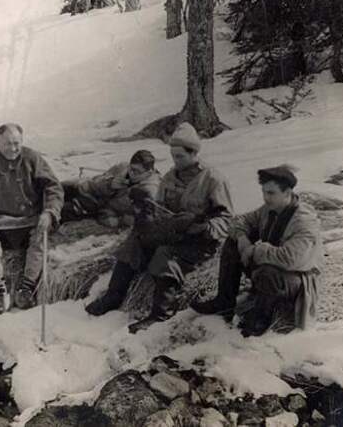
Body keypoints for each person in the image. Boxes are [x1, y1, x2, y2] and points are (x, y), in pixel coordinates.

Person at [85, 122, 234, 333]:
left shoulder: (213, 179)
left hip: (200, 240)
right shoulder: (169, 178)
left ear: (194, 154)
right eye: (173, 156)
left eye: (180, 156)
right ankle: (113, 296)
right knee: (135, 240)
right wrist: (147, 212)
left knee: (165, 255)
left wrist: (201, 225)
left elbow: (225, 219)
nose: (176, 162)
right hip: (173, 232)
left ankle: (161, 314)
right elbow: (160, 208)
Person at [191, 165, 324, 337]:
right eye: (264, 192)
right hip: (274, 269)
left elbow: (291, 259)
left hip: (297, 279)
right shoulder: (269, 208)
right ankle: (225, 302)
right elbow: (238, 221)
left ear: (287, 192)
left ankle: (260, 319)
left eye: (271, 193)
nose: (266, 198)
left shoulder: (304, 220)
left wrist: (255, 250)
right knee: (232, 243)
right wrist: (242, 240)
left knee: (267, 272)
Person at [0, 123, 64, 314]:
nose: (13, 149)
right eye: (8, 144)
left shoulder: (32, 158)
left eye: (17, 143)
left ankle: (26, 287)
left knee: (40, 235)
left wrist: (49, 212)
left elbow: (53, 188)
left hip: (29, 220)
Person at [61, 150, 161, 227]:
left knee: (62, 210)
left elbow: (140, 218)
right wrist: (110, 184)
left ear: (149, 172)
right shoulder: (123, 167)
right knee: (56, 188)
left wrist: (119, 221)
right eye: (131, 169)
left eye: (137, 171)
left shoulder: (150, 190)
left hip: (91, 205)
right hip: (85, 188)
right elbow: (96, 181)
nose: (131, 173)